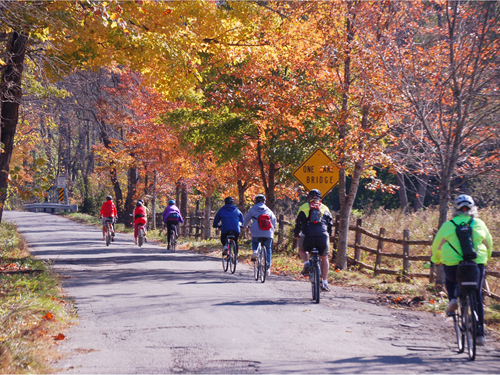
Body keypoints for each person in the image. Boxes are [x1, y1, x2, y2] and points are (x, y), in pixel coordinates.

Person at [431, 194, 493, 346]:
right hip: (475, 263)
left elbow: (436, 246)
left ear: (455, 209)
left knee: (451, 280)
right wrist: (486, 259)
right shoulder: (479, 223)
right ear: (472, 209)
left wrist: (437, 260)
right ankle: (480, 335)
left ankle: (453, 299)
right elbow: (489, 244)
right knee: (476, 294)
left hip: (452, 263)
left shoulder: (448, 225)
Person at [293, 189, 333, 292]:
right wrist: (329, 234)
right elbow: (330, 224)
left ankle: (306, 263)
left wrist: (296, 234)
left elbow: (298, 223)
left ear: (309, 198)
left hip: (308, 237)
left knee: (301, 249)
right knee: (324, 258)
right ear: (320, 198)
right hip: (322, 237)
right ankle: (324, 282)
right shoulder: (325, 208)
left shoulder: (303, 207)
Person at [243, 194, 277, 276]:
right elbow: (274, 220)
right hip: (268, 232)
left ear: (255, 201)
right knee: (268, 249)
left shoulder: (253, 209)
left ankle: (255, 251)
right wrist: (274, 227)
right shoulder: (268, 210)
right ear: (264, 201)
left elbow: (247, 219)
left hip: (256, 231)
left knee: (255, 241)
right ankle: (267, 268)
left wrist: (244, 225)